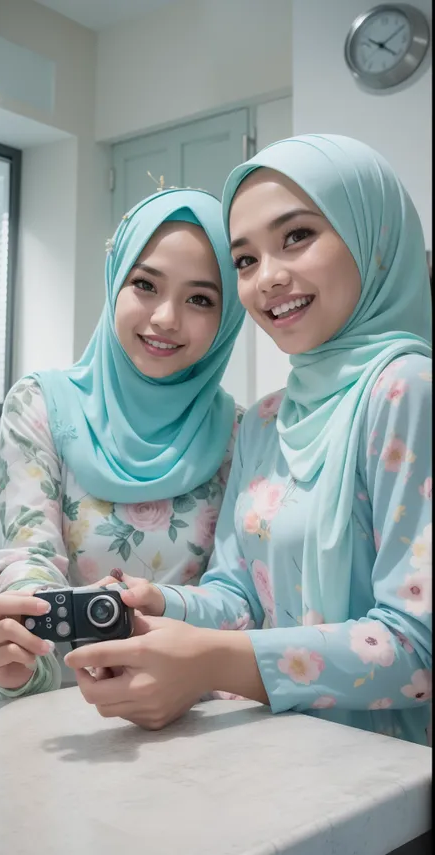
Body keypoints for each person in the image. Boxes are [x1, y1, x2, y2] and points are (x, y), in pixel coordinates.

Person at [65, 135, 432, 744]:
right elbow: (236, 592)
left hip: (386, 785)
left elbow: (417, 647)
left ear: (373, 236)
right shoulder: (265, 420)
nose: (268, 278)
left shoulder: (407, 391)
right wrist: (161, 602)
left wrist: (213, 661)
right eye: (245, 260)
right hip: (275, 759)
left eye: (297, 236)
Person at [0, 188, 245, 700]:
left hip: (196, 712)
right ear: (115, 280)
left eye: (200, 299)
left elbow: (237, 596)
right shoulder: (40, 405)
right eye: (145, 285)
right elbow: (30, 556)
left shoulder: (238, 432)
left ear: (229, 318)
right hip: (61, 710)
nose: (165, 317)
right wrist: (22, 653)